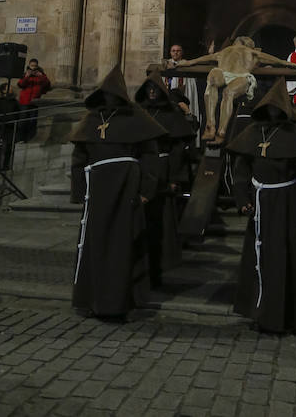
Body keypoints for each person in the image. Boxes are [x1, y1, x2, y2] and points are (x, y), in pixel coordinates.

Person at [227, 78, 296, 334]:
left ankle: (288, 315)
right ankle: (261, 312)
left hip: (287, 207)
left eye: (276, 109)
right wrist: (242, 199)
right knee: (261, 261)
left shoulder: (293, 136)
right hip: (261, 206)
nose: (272, 113)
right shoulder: (254, 132)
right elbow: (241, 170)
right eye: (268, 109)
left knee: (287, 260)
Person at [70, 65, 166, 318]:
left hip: (126, 191)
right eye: (106, 95)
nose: (110, 100)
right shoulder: (91, 120)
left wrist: (147, 189)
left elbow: (150, 156)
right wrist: (79, 191)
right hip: (98, 193)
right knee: (94, 243)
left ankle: (120, 301)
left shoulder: (137, 118)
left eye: (114, 95)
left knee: (122, 245)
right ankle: (92, 299)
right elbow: (79, 158)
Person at [180, 36, 296, 144]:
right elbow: (281, 62)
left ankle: (211, 126)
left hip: (230, 75)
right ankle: (218, 131)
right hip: (238, 76)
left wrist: (183, 63)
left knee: (213, 84)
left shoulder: (224, 52)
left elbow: (196, 61)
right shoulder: (251, 52)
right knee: (227, 93)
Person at [135, 72, 195, 287]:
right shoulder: (138, 112)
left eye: (155, 88)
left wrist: (175, 177)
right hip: (140, 172)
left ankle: (159, 269)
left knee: (161, 224)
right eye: (148, 88)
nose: (152, 91)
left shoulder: (170, 113)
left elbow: (178, 149)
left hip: (162, 171)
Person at [163, 43, 200, 134]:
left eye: (178, 51)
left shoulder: (187, 65)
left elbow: (191, 87)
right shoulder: (165, 65)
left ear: (182, 53)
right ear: (170, 53)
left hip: (184, 97)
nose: (176, 53)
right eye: (173, 51)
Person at [16, 58, 51, 142]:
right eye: (32, 66)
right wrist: (26, 77)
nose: (33, 68)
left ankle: (30, 138)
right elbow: (20, 84)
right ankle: (20, 138)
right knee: (23, 120)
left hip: (35, 101)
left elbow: (47, 84)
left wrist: (41, 76)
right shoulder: (25, 74)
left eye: (35, 66)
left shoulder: (41, 74)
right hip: (25, 101)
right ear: (29, 65)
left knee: (32, 121)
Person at [0, 82, 20, 172]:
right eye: (8, 88)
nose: (10, 89)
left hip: (10, 127)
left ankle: (6, 165)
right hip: (0, 126)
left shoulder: (14, 102)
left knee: (9, 147)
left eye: (10, 87)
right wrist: (0, 118)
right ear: (3, 90)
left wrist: (13, 120)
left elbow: (17, 113)